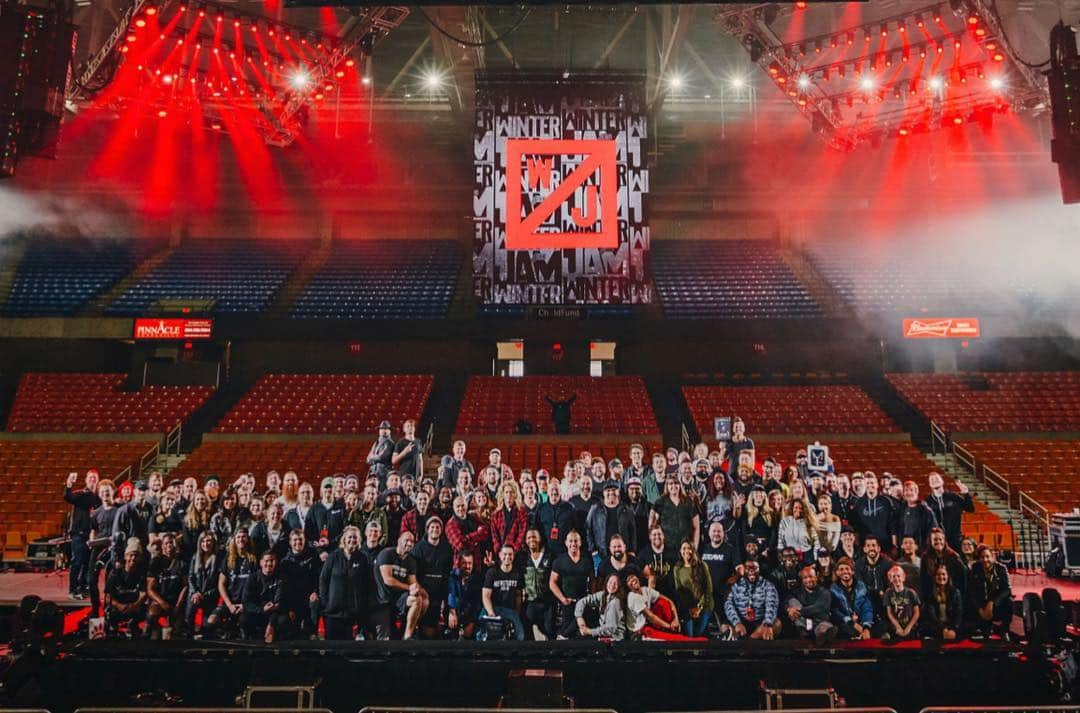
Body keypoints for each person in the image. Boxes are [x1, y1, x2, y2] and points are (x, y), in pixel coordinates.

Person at [373, 531, 428, 640]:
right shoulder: (387, 553)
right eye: (406, 540)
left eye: (412, 541)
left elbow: (413, 583)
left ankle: (407, 637)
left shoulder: (411, 561)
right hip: (382, 600)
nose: (409, 543)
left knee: (418, 600)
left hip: (399, 599)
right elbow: (388, 580)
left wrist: (422, 593)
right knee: (384, 640)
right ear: (399, 541)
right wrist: (409, 588)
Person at [206, 528, 257, 638]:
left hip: (247, 604)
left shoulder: (254, 559)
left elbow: (259, 585)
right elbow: (221, 584)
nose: (241, 539)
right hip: (230, 603)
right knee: (211, 622)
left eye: (244, 536)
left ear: (248, 539)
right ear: (234, 540)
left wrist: (246, 605)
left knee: (244, 626)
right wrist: (229, 605)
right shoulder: (228, 559)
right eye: (238, 537)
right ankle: (227, 631)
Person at [319, 526, 367, 641]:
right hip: (333, 612)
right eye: (350, 537)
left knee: (348, 650)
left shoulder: (362, 558)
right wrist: (326, 602)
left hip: (352, 614)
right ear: (344, 539)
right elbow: (323, 579)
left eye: (355, 538)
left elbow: (365, 583)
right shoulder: (333, 556)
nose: (352, 540)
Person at [411, 515, 453, 639]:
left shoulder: (446, 548)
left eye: (438, 527)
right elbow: (414, 574)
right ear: (427, 529)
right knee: (427, 631)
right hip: (424, 591)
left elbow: (447, 573)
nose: (435, 529)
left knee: (438, 631)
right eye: (432, 527)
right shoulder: (418, 548)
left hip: (440, 591)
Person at [64, 470, 101, 599]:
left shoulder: (98, 497)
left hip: (93, 535)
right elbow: (68, 497)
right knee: (77, 562)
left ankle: (83, 587)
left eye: (94, 478)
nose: (92, 480)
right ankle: (73, 589)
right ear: (86, 480)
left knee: (88, 563)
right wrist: (69, 483)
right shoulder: (80, 494)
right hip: (79, 534)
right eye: (90, 477)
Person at [723, 559, 781, 640]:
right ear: (744, 569)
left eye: (755, 568)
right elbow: (728, 605)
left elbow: (771, 605)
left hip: (760, 621)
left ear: (759, 569)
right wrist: (737, 623)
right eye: (748, 568)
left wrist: (767, 624)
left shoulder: (768, 585)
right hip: (741, 620)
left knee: (777, 623)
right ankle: (747, 646)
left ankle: (748, 643)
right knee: (724, 627)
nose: (751, 571)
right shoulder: (735, 585)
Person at [278, 530, 321, 637]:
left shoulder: (313, 555)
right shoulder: (285, 562)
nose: (298, 542)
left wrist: (316, 592)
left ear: (304, 540)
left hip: (310, 596)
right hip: (293, 600)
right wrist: (289, 608)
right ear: (290, 542)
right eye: (295, 540)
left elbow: (320, 577)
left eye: (300, 539)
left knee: (314, 606)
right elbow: (284, 587)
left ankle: (312, 635)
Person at [586, 481, 638, 571]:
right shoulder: (595, 509)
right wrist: (593, 550)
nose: (611, 492)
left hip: (622, 554)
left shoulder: (627, 509)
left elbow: (633, 531)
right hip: (601, 554)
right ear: (603, 492)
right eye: (608, 490)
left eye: (614, 490)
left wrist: (632, 550)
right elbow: (588, 530)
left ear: (618, 492)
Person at [549, 530, 591, 639]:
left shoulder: (587, 559)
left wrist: (591, 597)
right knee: (568, 632)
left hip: (583, 602)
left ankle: (562, 636)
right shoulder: (559, 561)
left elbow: (594, 580)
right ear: (566, 543)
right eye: (571, 541)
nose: (573, 544)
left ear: (580, 543)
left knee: (581, 634)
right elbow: (552, 582)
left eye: (576, 541)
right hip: (567, 603)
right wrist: (562, 598)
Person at [146, 533, 187, 638]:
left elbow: (185, 586)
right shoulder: (156, 562)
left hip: (176, 600)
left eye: (171, 543)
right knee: (151, 616)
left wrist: (178, 605)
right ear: (162, 546)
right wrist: (162, 603)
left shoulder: (182, 562)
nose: (169, 545)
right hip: (160, 600)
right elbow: (150, 589)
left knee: (175, 633)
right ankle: (156, 629)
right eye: (166, 543)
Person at [482, 544, 526, 640]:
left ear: (513, 555)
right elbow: (486, 596)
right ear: (500, 555)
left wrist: (517, 614)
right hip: (493, 608)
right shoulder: (492, 572)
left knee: (520, 636)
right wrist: (491, 614)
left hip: (509, 610)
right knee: (483, 635)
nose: (507, 557)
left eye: (510, 554)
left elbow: (518, 595)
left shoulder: (518, 573)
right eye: (505, 554)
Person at [241, 551, 287, 643]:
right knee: (243, 619)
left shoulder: (280, 579)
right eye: (266, 561)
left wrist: (271, 624)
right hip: (258, 611)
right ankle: (251, 641)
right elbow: (246, 602)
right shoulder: (252, 578)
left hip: (274, 615)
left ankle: (278, 641)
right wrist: (261, 609)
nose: (269, 563)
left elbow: (278, 603)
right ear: (261, 563)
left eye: (272, 560)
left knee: (284, 620)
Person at [967, 546, 1012, 639]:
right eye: (982, 557)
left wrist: (992, 602)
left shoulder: (1001, 568)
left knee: (1009, 602)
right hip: (981, 604)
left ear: (992, 557)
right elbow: (972, 591)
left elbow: (1007, 589)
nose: (985, 559)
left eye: (987, 556)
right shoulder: (975, 569)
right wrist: (980, 608)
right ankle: (980, 629)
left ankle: (1004, 630)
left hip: (995, 604)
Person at [650, 477, 700, 560]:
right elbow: (652, 526)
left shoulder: (688, 502)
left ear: (680, 485)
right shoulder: (660, 502)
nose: (674, 486)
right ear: (667, 486)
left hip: (685, 548)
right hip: (666, 548)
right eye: (670, 483)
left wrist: (694, 548)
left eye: (676, 483)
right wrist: (656, 547)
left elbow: (696, 527)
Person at [105, 539, 148, 637]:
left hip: (135, 607)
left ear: (140, 558)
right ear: (125, 556)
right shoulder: (115, 574)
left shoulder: (141, 574)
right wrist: (119, 605)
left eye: (136, 555)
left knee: (147, 612)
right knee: (110, 614)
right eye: (131, 555)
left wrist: (135, 605)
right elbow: (108, 597)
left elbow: (143, 594)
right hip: (118, 607)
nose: (133, 558)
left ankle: (134, 627)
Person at [785, 566, 836, 645]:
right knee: (792, 601)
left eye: (811, 576)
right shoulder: (797, 592)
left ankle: (822, 636)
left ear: (816, 577)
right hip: (803, 623)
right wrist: (789, 609)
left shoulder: (825, 592)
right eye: (805, 577)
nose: (808, 580)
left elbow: (818, 608)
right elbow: (787, 600)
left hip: (819, 622)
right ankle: (803, 631)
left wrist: (798, 611)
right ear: (802, 580)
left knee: (825, 628)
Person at [625, 569, 683, 639]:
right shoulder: (632, 597)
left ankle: (674, 633)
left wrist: (676, 620)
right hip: (639, 632)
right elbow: (650, 617)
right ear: (627, 586)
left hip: (649, 625)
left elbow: (669, 601)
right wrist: (670, 626)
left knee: (663, 602)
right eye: (628, 581)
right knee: (674, 638)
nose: (632, 580)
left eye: (632, 577)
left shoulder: (645, 590)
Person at [830, 556, 878, 640]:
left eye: (847, 569)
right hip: (846, 623)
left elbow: (867, 607)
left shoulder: (861, 586)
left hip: (861, 621)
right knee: (841, 629)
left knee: (881, 625)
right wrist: (852, 623)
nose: (845, 571)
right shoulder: (833, 589)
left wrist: (865, 627)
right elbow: (836, 612)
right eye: (841, 569)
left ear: (852, 571)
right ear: (837, 572)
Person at [924, 473, 974, 552]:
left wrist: (966, 494)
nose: (935, 480)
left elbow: (970, 509)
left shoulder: (953, 496)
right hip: (938, 540)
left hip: (955, 539)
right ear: (930, 484)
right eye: (932, 480)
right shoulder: (927, 502)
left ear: (942, 481)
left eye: (937, 478)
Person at [672, 540, 714, 637]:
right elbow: (679, 591)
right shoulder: (677, 568)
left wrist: (699, 607)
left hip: (705, 605)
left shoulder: (702, 565)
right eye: (684, 548)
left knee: (698, 634)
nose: (686, 551)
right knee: (690, 636)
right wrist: (690, 608)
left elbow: (708, 589)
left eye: (689, 548)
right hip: (688, 607)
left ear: (693, 550)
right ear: (680, 551)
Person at [185, 531, 220, 638]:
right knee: (189, 614)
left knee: (207, 628)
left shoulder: (218, 559)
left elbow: (219, 583)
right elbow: (190, 577)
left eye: (208, 540)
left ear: (213, 542)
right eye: (203, 541)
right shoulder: (195, 557)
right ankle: (188, 634)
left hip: (210, 596)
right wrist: (195, 592)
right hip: (195, 594)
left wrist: (205, 595)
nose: (206, 543)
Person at [522, 528, 554, 639]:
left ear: (540, 538)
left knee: (549, 631)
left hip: (547, 601)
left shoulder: (549, 556)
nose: (532, 540)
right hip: (530, 601)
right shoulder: (522, 557)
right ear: (525, 540)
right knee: (528, 633)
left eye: (534, 537)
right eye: (529, 538)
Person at [573, 573, 627, 640]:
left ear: (619, 586)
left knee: (580, 636)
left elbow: (610, 629)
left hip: (614, 637)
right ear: (606, 582)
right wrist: (580, 619)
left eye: (615, 583)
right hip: (602, 630)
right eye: (610, 582)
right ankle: (565, 635)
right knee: (584, 610)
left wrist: (589, 631)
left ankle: (565, 636)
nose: (612, 585)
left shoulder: (615, 602)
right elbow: (582, 601)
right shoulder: (603, 594)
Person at [921, 528, 967, 600]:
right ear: (930, 541)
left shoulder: (954, 556)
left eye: (940, 539)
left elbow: (962, 579)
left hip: (952, 596)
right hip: (932, 596)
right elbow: (923, 579)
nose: (938, 542)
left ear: (944, 540)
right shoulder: (925, 557)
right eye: (935, 539)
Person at [447, 550, 484, 639]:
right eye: (464, 563)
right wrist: (452, 612)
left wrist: (472, 623)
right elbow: (451, 594)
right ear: (459, 564)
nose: (467, 566)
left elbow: (477, 604)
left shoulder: (477, 579)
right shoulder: (452, 576)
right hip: (454, 614)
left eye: (470, 563)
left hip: (470, 618)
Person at [855, 534, 894, 617]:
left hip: (885, 599)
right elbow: (860, 585)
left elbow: (892, 583)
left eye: (874, 545)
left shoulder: (888, 563)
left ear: (879, 548)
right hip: (867, 598)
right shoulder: (859, 564)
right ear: (864, 549)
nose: (871, 548)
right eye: (868, 546)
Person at [851, 474, 893, 550]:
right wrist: (857, 544)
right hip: (865, 544)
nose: (870, 485)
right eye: (867, 483)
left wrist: (894, 544)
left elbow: (892, 524)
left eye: (872, 483)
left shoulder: (886, 501)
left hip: (885, 543)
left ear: (877, 484)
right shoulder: (859, 503)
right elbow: (856, 526)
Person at [922, 564, 963, 641]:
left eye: (943, 574)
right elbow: (932, 616)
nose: (941, 577)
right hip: (937, 627)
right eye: (938, 574)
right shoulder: (930, 594)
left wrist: (952, 629)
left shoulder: (955, 592)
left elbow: (958, 613)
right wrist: (943, 629)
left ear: (948, 576)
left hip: (953, 626)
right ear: (934, 577)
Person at [534, 479, 575, 557]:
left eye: (557, 489)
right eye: (552, 489)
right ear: (548, 491)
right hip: (546, 552)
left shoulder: (569, 507)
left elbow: (575, 527)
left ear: (561, 491)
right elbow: (537, 528)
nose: (554, 492)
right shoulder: (541, 509)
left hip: (565, 551)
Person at [894, 481, 937, 554]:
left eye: (911, 490)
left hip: (920, 550)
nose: (909, 493)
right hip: (904, 549)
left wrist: (926, 548)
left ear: (917, 491)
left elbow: (933, 530)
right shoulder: (901, 509)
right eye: (906, 490)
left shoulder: (926, 510)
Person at [882, 564, 921, 642]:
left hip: (911, 627)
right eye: (893, 576)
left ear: (903, 577)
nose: (896, 578)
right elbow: (889, 613)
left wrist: (908, 628)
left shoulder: (911, 592)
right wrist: (898, 627)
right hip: (896, 627)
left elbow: (917, 613)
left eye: (898, 576)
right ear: (890, 579)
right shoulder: (888, 593)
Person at [491, 480, 529, 554]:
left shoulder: (522, 512)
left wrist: (513, 550)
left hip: (517, 552)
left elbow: (522, 534)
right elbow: (494, 536)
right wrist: (499, 551)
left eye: (511, 492)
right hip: (501, 553)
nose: (509, 495)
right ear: (503, 494)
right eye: (506, 492)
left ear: (515, 494)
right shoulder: (496, 514)